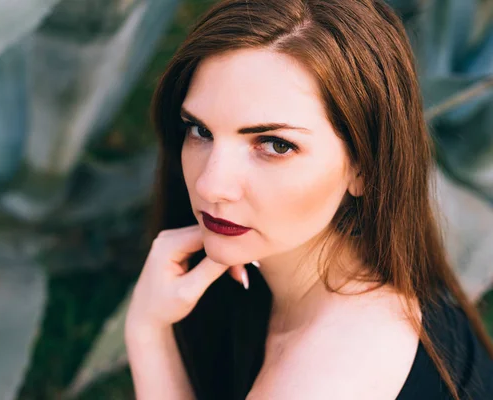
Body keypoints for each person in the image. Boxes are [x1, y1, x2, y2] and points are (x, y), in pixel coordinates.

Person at [124, 0, 493, 399]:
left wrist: (147, 332)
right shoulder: (369, 270)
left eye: (275, 144)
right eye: (200, 130)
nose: (211, 185)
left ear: (364, 168)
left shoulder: (328, 376)